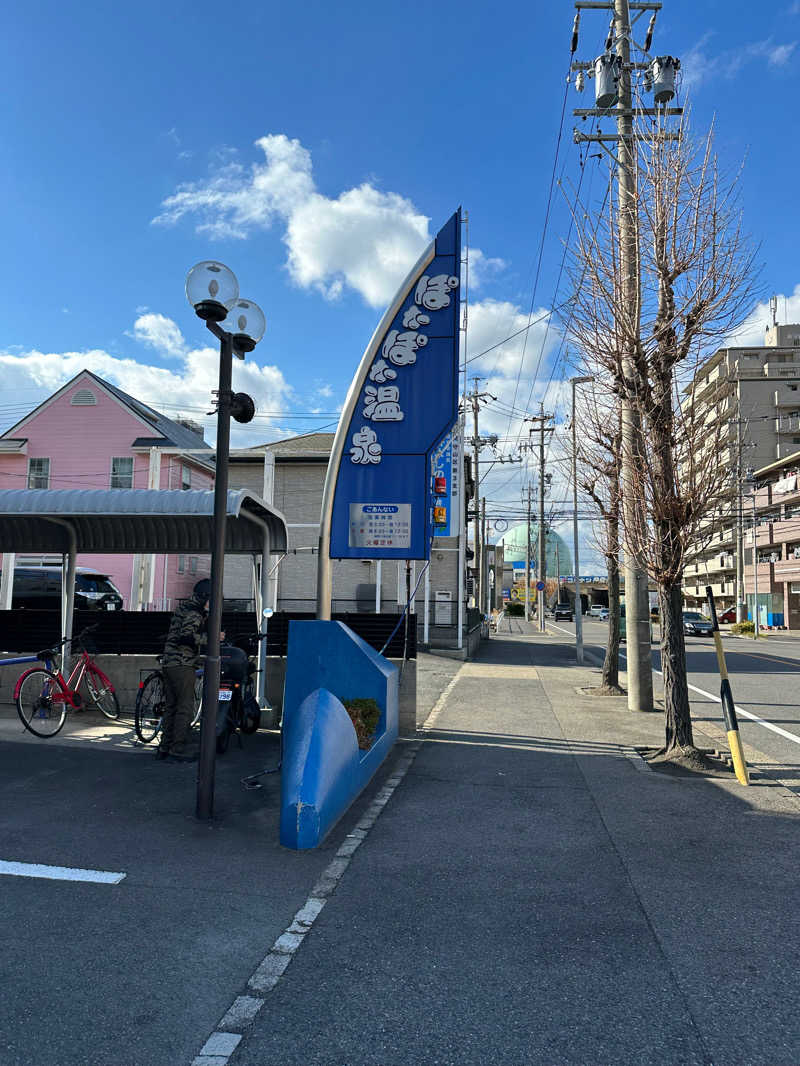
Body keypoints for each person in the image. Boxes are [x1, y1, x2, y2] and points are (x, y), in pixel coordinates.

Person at [156, 578, 211, 762]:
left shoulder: (183, 607)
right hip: (182, 664)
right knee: (184, 709)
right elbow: (186, 637)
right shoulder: (194, 613)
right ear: (205, 597)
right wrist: (210, 638)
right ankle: (177, 750)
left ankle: (164, 748)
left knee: (171, 707)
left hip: (169, 663)